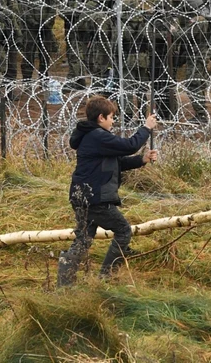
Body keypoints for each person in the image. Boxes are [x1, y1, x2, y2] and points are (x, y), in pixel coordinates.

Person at [57, 95, 158, 286]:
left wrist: (141, 160)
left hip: (82, 197)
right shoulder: (97, 136)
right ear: (101, 118)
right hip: (95, 198)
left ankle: (65, 284)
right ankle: (106, 277)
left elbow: (117, 162)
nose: (113, 121)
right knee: (123, 230)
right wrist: (146, 127)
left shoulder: (93, 137)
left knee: (83, 240)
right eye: (112, 117)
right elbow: (130, 146)